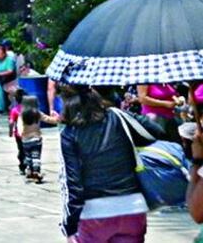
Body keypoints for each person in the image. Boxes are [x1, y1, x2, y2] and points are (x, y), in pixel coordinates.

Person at [59, 83, 164, 241]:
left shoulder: (69, 133)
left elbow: (72, 185)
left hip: (94, 214)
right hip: (132, 208)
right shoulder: (118, 116)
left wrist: (69, 226)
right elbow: (157, 131)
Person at [16, 95, 58, 183]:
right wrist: (57, 118)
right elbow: (48, 119)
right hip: (36, 139)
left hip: (25, 140)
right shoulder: (38, 113)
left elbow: (19, 127)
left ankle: (30, 171)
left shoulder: (22, 115)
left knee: (28, 157)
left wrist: (21, 134)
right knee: (36, 156)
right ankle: (36, 172)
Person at [7, 89, 27, 175]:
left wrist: (10, 132)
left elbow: (11, 122)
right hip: (30, 133)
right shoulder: (29, 109)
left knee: (21, 149)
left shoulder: (14, 110)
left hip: (19, 134)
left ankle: (22, 166)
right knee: (29, 149)